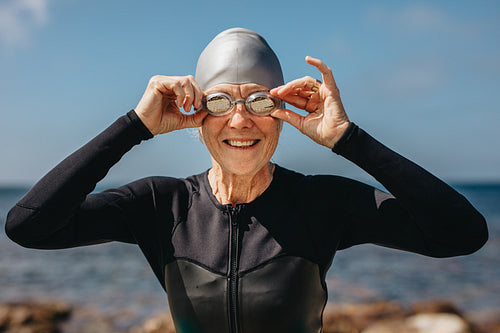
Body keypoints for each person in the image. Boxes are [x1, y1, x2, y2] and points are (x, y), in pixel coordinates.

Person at [6, 27, 488, 333]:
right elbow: (28, 225)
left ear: (281, 112)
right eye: (219, 103)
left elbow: (462, 234)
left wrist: (347, 138)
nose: (239, 121)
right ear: (195, 117)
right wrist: (135, 126)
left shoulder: (322, 204)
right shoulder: (161, 205)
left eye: (258, 101)